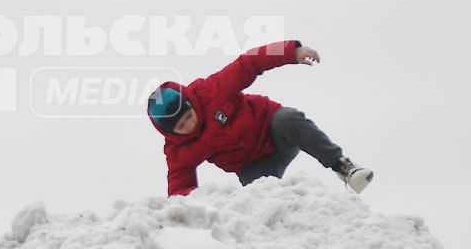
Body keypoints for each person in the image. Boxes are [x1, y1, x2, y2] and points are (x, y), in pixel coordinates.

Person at [146, 40, 372, 197]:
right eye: (181, 126)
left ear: (191, 104)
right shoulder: (178, 151)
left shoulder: (212, 91)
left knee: (289, 118)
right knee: (258, 202)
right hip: (252, 166)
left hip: (275, 131)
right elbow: (179, 187)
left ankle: (343, 167)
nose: (189, 125)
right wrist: (186, 215)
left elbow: (249, 63)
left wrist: (291, 52)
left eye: (188, 116)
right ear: (171, 132)